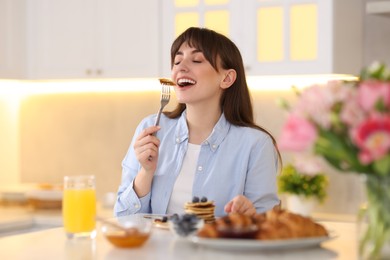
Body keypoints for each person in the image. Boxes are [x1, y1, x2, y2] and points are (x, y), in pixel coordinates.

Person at [114, 27, 281, 218]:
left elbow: (268, 225)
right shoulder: (151, 129)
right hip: (158, 248)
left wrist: (251, 216)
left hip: (218, 248)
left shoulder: (256, 144)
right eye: (177, 61)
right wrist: (146, 172)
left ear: (226, 78)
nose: (181, 67)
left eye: (196, 60)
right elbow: (122, 217)